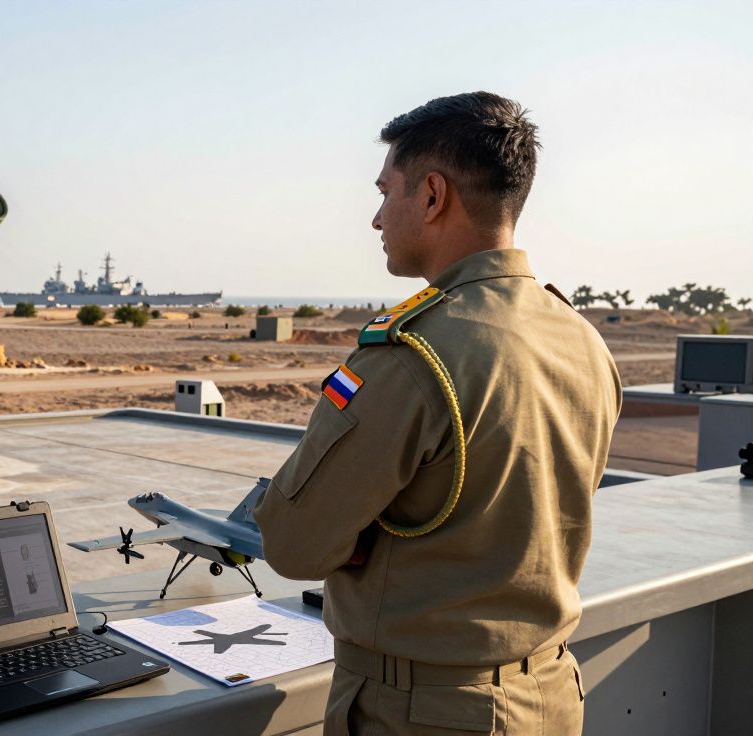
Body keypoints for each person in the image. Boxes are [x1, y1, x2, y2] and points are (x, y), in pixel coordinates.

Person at [253, 92, 622, 735]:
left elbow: (293, 543)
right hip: (550, 695)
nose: (376, 218)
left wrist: (358, 536)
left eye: (384, 191)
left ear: (431, 195)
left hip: (427, 710)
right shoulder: (580, 338)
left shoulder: (414, 355)